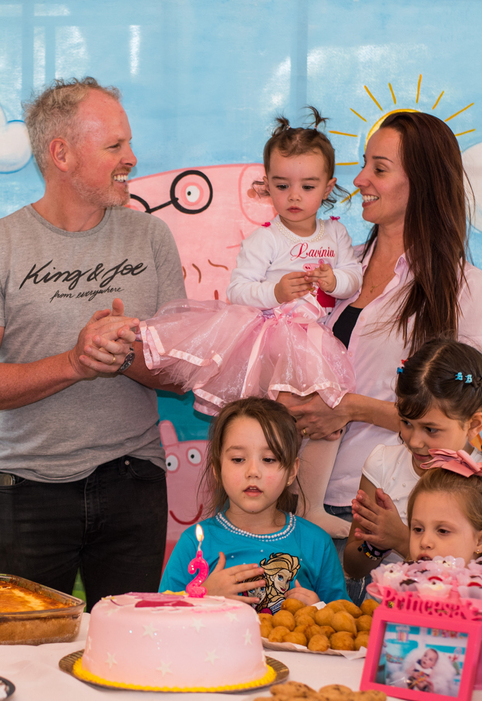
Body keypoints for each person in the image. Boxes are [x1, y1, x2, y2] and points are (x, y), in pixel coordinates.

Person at [0, 77, 185, 609]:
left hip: (134, 479)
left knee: (131, 650)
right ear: (61, 153)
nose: (132, 157)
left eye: (127, 143)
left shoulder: (152, 238)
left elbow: (178, 375)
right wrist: (75, 363)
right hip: (26, 487)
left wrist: (124, 356)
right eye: (114, 146)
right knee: (26, 652)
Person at [139, 110, 359, 536]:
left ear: (329, 188)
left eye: (308, 186)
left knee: (326, 418)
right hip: (273, 339)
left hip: (315, 341)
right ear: (267, 185)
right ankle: (254, 511)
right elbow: (240, 289)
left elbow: (354, 279)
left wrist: (337, 279)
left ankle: (309, 505)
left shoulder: (335, 235)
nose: (294, 196)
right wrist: (275, 294)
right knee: (271, 425)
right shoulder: (267, 238)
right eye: (281, 185)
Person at [284, 111, 482, 546]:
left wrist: (352, 408)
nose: (360, 179)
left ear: (423, 182)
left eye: (379, 169)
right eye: (363, 164)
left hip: (389, 511)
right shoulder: (337, 266)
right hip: (292, 496)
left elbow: (472, 417)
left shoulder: (459, 287)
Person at [343, 338, 482, 592]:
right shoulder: (382, 463)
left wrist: (401, 539)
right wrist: (375, 545)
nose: (414, 441)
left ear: (474, 425)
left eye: (431, 429)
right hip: (385, 613)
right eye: (406, 422)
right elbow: (353, 567)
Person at [159, 397, 348, 612]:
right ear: (217, 468)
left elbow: (345, 625)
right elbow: (162, 616)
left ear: (292, 471)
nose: (253, 472)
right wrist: (203, 596)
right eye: (238, 459)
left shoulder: (316, 543)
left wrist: (318, 609)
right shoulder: (195, 543)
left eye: (268, 459)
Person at [406, 450, 482, 628]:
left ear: (481, 540)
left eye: (442, 531)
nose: (425, 541)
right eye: (418, 529)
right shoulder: (402, 594)